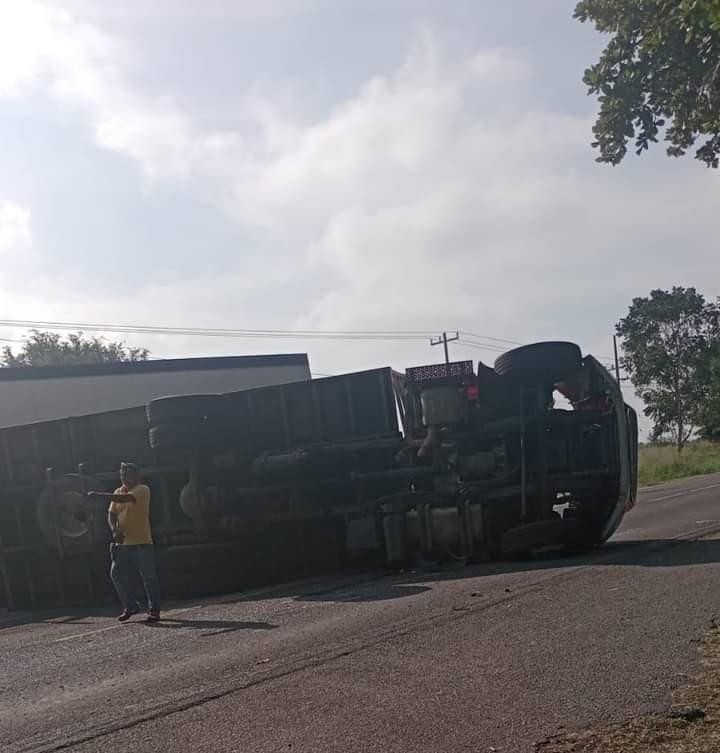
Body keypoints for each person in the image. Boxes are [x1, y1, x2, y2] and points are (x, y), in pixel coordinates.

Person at [88, 462, 161, 623]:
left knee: (149, 578)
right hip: (122, 544)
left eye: (127, 475)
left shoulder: (142, 490)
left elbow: (125, 499)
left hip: (142, 542)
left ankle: (154, 609)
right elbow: (111, 514)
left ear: (137, 476)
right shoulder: (117, 490)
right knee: (116, 574)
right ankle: (130, 605)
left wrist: (99, 495)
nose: (124, 478)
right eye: (122, 475)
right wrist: (114, 530)